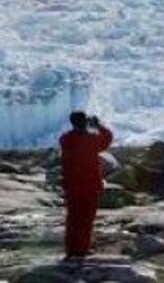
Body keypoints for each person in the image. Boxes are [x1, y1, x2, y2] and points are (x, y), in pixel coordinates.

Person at [59, 111, 113, 259]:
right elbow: (108, 138)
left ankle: (71, 250)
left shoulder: (66, 139)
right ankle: (82, 249)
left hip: (72, 185)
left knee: (73, 218)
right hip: (90, 185)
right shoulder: (92, 139)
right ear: (85, 122)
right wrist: (98, 125)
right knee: (86, 219)